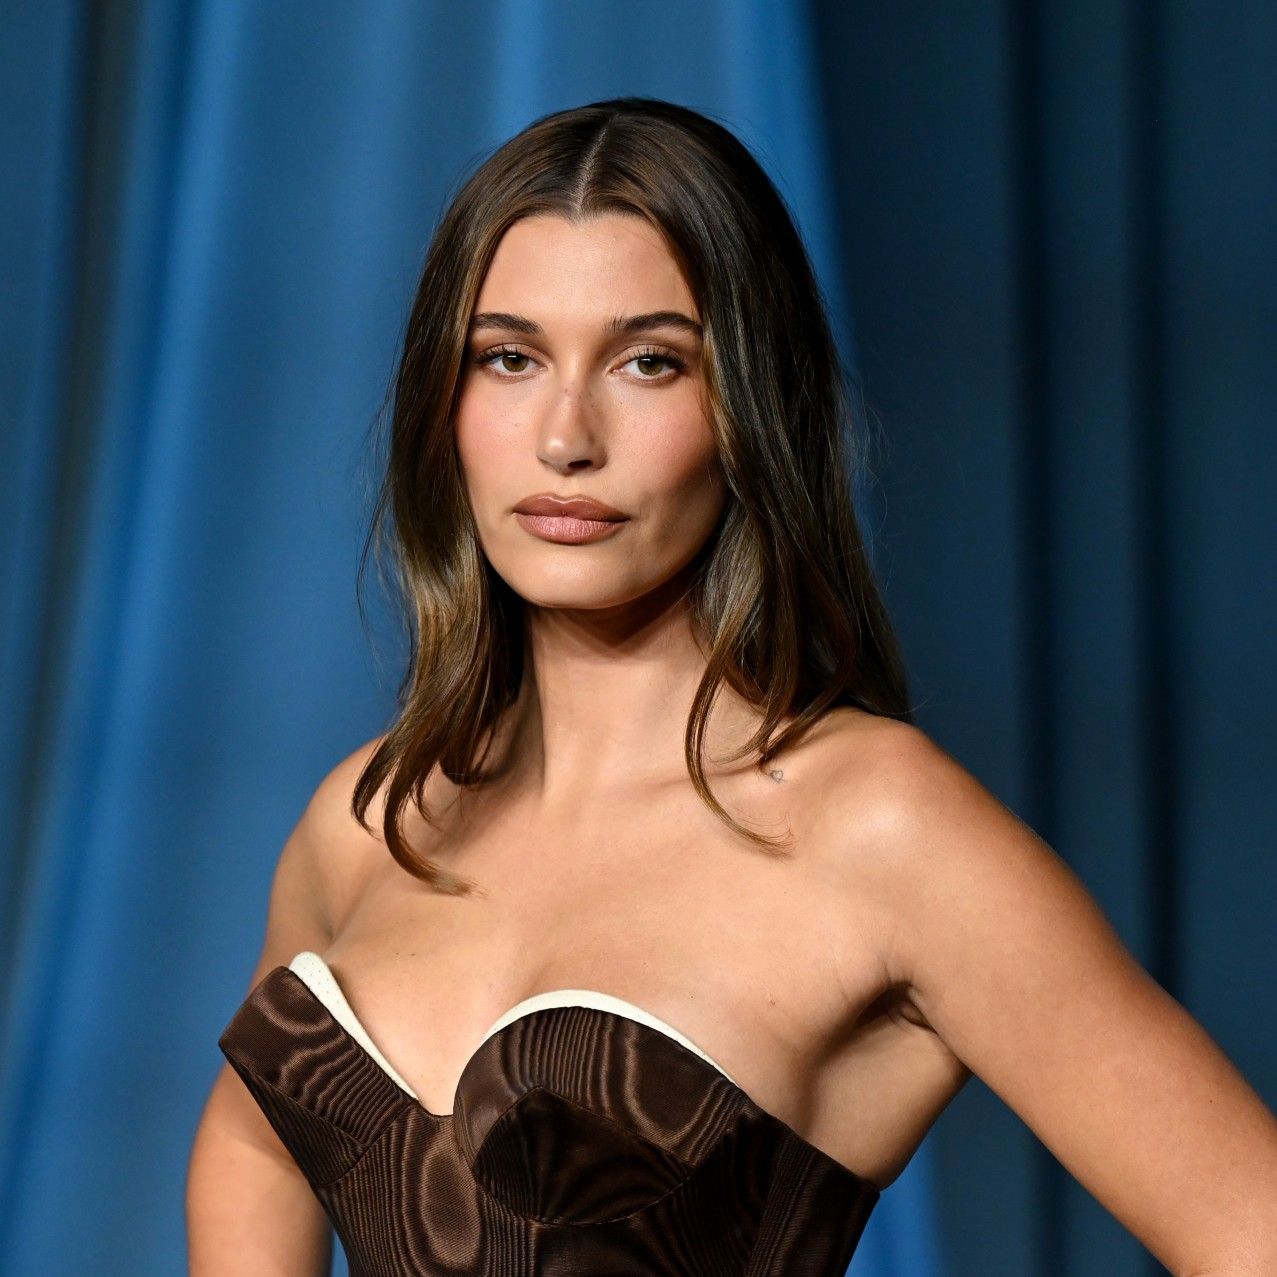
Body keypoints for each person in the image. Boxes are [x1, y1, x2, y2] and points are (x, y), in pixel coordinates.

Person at [186, 96, 1277, 1276]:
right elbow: (256, 1144)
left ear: (750, 404)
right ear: (443, 404)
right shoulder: (369, 820)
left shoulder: (877, 827)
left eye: (649, 361)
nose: (565, 435)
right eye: (508, 357)